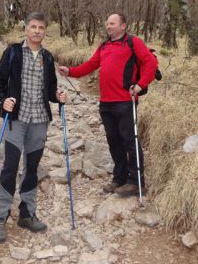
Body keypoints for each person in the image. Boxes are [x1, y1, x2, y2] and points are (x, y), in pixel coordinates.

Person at [58, 13, 157, 197]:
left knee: (130, 141)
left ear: (123, 26)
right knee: (114, 142)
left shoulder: (133, 43)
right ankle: (119, 178)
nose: (108, 26)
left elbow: (151, 63)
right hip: (106, 102)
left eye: (112, 23)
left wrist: (140, 85)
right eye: (107, 23)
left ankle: (136, 182)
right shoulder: (104, 46)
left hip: (126, 101)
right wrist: (70, 71)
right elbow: (90, 65)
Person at [0, 12, 67, 243]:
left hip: (40, 119)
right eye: (33, 27)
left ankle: (26, 213)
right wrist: (2, 100)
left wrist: (58, 95)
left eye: (41, 28)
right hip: (16, 119)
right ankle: (0, 217)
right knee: (10, 166)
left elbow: (51, 89)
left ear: (45, 31)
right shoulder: (13, 52)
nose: (37, 31)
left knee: (32, 167)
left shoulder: (48, 57)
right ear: (26, 29)